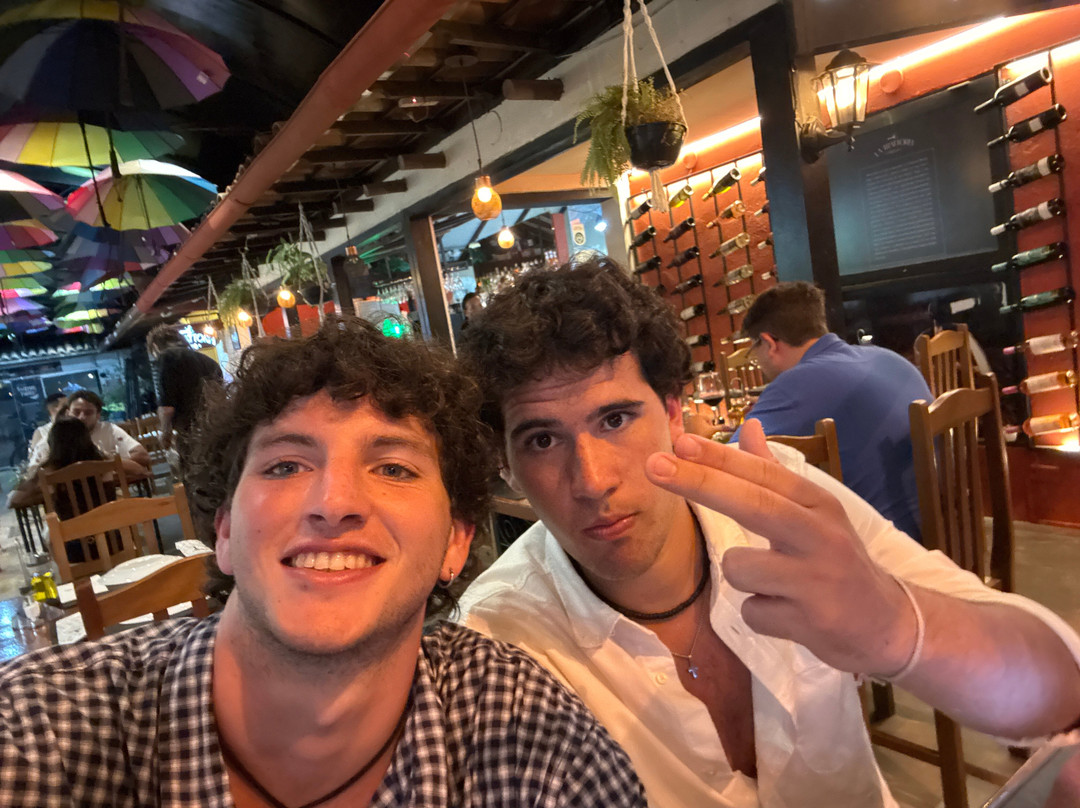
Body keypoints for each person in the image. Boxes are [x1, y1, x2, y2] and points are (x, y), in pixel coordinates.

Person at [457, 257, 1080, 808]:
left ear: (673, 412)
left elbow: (1061, 691)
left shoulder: (774, 499)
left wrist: (893, 626)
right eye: (542, 440)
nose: (592, 480)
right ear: (506, 466)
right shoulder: (499, 642)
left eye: (616, 419)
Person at [0, 317, 645, 808]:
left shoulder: (533, 743)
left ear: (456, 542)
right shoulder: (47, 735)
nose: (333, 503)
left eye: (394, 468)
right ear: (223, 531)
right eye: (286, 465)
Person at [733, 281, 932, 542]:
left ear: (770, 343)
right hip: (935, 530)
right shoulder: (888, 358)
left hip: (879, 550)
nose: (758, 362)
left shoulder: (798, 383)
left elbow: (729, 462)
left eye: (754, 350)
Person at [26, 389, 151, 474]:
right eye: (76, 412)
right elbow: (32, 473)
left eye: (88, 413)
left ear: (98, 415)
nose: (81, 417)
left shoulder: (108, 430)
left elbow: (143, 457)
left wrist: (111, 462)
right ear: (67, 412)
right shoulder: (52, 437)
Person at [145, 322, 224, 452]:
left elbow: (167, 408)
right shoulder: (210, 362)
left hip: (190, 435)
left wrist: (165, 434)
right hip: (217, 430)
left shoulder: (166, 358)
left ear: (155, 346)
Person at [26, 391, 66, 459]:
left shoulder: (75, 427)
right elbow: (32, 457)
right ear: (52, 409)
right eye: (64, 406)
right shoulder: (41, 432)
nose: (69, 409)